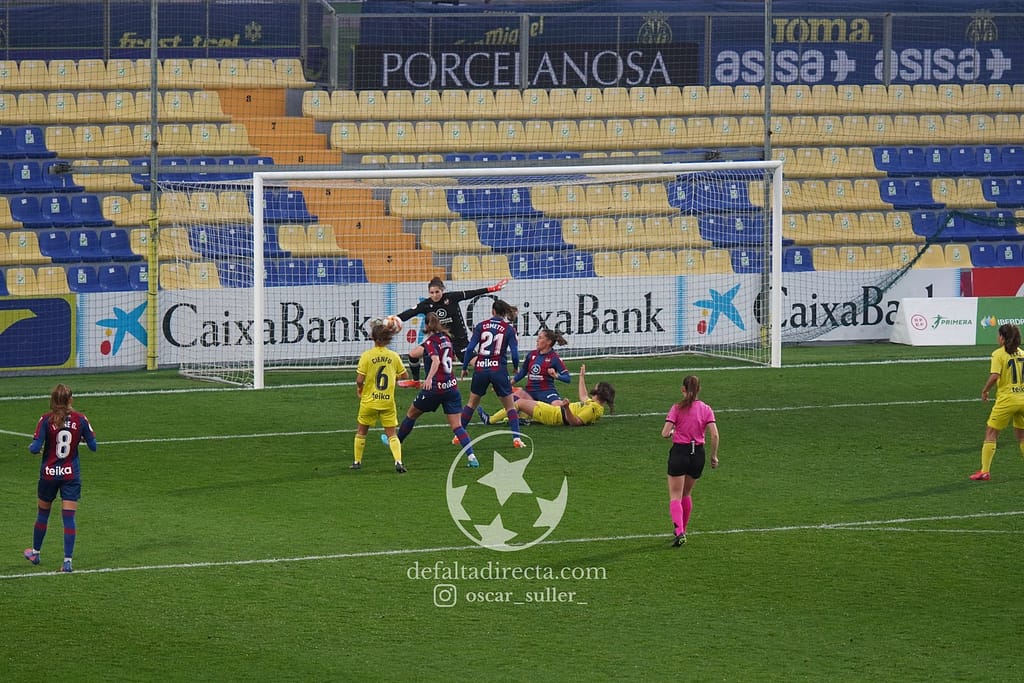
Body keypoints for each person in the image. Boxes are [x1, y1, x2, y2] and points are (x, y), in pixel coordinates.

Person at [386, 313, 480, 467]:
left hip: (435, 388)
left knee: (411, 414)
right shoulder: (447, 339)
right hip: (451, 388)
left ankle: (396, 442)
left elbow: (436, 360)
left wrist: (429, 378)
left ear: (426, 326)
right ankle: (472, 457)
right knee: (457, 426)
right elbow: (452, 358)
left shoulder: (430, 342)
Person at [24, 383, 98, 573]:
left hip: (49, 475)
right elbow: (93, 446)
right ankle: (67, 562)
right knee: (69, 518)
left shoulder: (46, 420)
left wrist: (33, 448)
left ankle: (35, 553)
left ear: (53, 400)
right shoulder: (80, 419)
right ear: (70, 400)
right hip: (71, 475)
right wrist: (81, 438)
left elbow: (34, 447)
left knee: (42, 514)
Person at [395, 276, 509, 388]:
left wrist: (491, 289)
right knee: (413, 354)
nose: (434, 295)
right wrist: (395, 319)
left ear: (442, 290)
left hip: (459, 340)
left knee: (478, 364)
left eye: (437, 292)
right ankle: (415, 381)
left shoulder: (452, 297)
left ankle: (501, 384)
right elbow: (409, 313)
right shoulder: (426, 304)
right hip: (439, 341)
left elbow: (472, 293)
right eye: (432, 292)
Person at [661, 375, 719, 547]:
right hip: (697, 454)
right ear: (699, 389)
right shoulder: (706, 409)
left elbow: (665, 433)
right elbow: (715, 434)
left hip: (680, 452)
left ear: (683, 389)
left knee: (675, 496)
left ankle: (679, 532)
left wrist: (673, 432)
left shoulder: (677, 408)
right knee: (686, 494)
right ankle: (683, 529)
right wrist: (713, 456)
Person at [459, 299, 523, 448]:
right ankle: (516, 439)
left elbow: (469, 349)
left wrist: (464, 367)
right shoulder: (508, 329)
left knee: (472, 403)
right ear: (504, 313)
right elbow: (514, 353)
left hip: (480, 368)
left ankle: (458, 436)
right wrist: (515, 367)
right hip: (498, 370)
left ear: (492, 311)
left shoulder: (481, 326)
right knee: (510, 407)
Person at [352, 319, 409, 473]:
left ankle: (357, 461)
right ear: (387, 339)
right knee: (392, 434)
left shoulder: (367, 356)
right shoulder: (394, 356)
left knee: (362, 431)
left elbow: (359, 379)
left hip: (369, 401)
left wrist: (359, 389)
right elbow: (405, 376)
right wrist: (394, 378)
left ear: (373, 338)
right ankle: (398, 461)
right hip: (387, 402)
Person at [481, 363, 614, 427]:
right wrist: (581, 377)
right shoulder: (594, 405)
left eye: (596, 387)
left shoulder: (592, 409)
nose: (593, 388)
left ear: (599, 392)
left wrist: (567, 408)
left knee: (519, 403)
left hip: (554, 414)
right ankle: (516, 420)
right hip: (555, 413)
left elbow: (576, 422)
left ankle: (490, 420)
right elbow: (583, 396)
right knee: (523, 408)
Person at [970, 322, 1024, 481]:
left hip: (1007, 400)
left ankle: (984, 471)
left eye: (998, 335)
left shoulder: (998, 354)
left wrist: (985, 390)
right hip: (1023, 398)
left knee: (991, 432)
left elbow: (994, 376)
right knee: (1022, 436)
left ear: (1002, 337)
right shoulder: (1022, 353)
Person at [513, 328, 571, 405]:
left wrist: (556, 376)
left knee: (559, 406)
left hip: (546, 391)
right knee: (510, 399)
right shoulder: (531, 354)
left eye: (540, 338)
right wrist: (509, 383)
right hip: (529, 392)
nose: (537, 340)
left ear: (548, 342)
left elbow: (567, 378)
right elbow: (523, 372)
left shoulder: (554, 358)